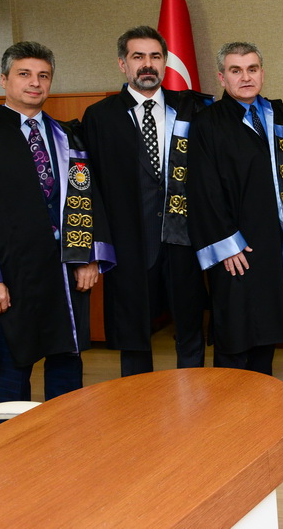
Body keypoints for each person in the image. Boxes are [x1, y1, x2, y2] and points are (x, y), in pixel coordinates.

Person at [0, 41, 114, 402]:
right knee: (12, 371)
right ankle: (14, 438)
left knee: (66, 363)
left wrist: (89, 256)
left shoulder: (68, 136)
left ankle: (66, 432)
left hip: (65, 270)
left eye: (43, 75)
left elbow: (89, 197)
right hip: (11, 274)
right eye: (24, 74)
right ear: (4, 80)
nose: (35, 82)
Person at [83, 25, 211, 376]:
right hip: (128, 242)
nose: (147, 64)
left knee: (190, 325)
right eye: (138, 56)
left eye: (155, 56)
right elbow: (91, 188)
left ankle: (193, 392)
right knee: (133, 332)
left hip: (183, 239)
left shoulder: (191, 110)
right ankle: (137, 398)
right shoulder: (101, 116)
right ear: (122, 64)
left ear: (165, 62)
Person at [187, 42, 283, 375]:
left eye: (252, 69)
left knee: (267, 324)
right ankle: (229, 398)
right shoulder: (207, 122)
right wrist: (226, 243)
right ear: (222, 78)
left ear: (262, 73)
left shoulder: (279, 116)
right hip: (233, 243)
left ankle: (263, 393)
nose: (246, 77)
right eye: (236, 71)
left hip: (272, 239)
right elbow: (203, 188)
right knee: (234, 327)